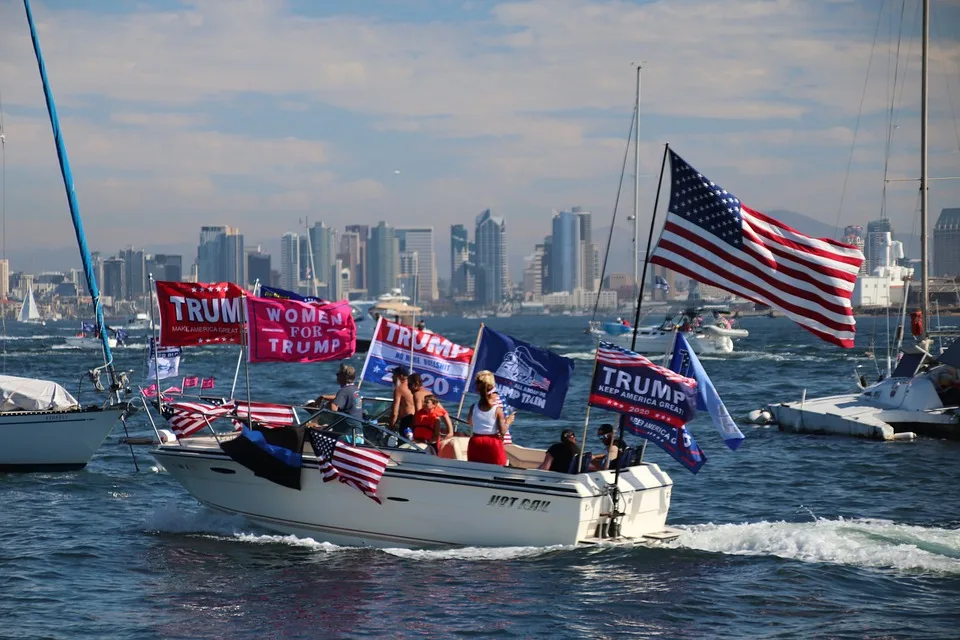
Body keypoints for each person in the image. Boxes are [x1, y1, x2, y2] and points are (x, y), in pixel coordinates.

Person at [467, 370, 508, 465]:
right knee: (497, 470)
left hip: (475, 442)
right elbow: (502, 431)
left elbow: (470, 422)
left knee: (475, 468)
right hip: (492, 443)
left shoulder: (473, 407)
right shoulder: (497, 410)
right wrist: (508, 421)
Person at [389, 367, 415, 434]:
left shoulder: (399, 389)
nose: (392, 377)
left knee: (403, 444)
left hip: (407, 421)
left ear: (400, 376)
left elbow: (394, 413)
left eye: (394, 375)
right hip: (416, 421)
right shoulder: (413, 388)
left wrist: (391, 426)